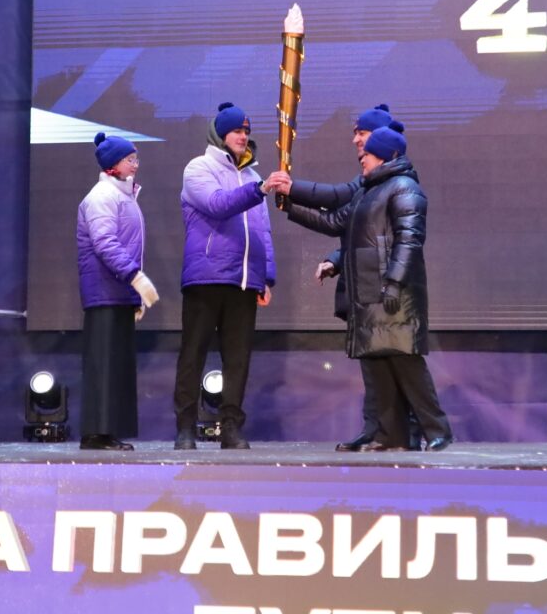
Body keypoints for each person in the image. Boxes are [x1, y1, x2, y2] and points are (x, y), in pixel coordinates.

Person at [280, 126, 451, 451]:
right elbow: (333, 222)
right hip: (369, 292)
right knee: (378, 366)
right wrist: (289, 206)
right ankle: (390, 435)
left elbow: (409, 239)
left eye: (369, 154)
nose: (362, 158)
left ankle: (437, 430)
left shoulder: (405, 188)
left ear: (388, 156)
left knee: (405, 363)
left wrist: (394, 282)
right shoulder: (366, 191)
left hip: (395, 294)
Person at [263, 104, 414, 451]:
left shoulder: (392, 183)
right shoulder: (371, 180)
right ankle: (377, 429)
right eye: (356, 133)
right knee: (374, 367)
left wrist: (292, 188)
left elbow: (339, 202)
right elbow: (347, 225)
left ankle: (402, 431)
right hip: (364, 287)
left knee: (392, 364)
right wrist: (334, 258)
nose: (356, 140)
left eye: (362, 133)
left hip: (383, 290)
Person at [174, 102, 275, 450]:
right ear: (220, 135)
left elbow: (262, 231)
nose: (243, 137)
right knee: (193, 354)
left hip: (244, 280)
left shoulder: (252, 176)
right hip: (206, 276)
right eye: (236, 131)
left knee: (238, 359)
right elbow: (218, 204)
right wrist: (259, 190)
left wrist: (267, 276)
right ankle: (185, 428)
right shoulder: (198, 168)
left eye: (246, 131)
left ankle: (231, 427)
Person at [76, 132, 158, 450]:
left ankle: (107, 431)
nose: (135, 164)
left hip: (119, 291)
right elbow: (105, 243)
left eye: (136, 158)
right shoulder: (102, 196)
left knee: (116, 364)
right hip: (104, 291)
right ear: (113, 164)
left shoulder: (125, 196)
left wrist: (133, 295)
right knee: (104, 363)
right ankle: (96, 434)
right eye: (129, 159)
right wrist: (135, 278)